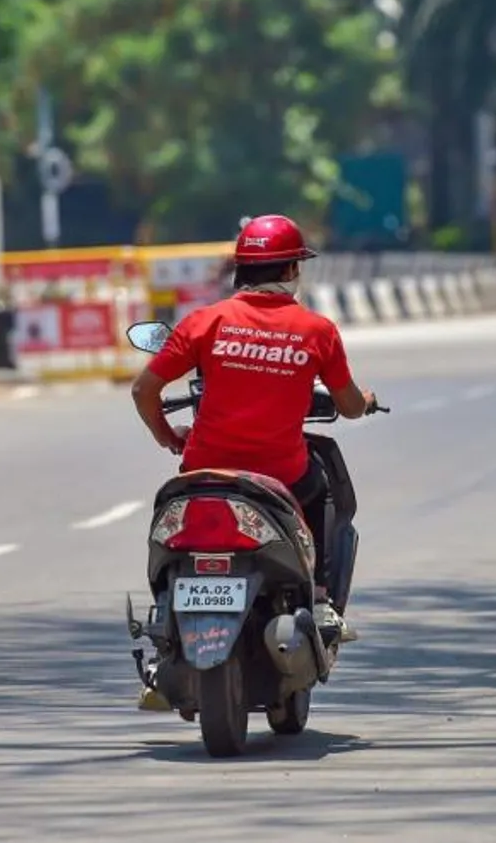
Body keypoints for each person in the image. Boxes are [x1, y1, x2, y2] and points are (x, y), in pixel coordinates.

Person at [130, 214, 376, 709]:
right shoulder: (316, 330)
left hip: (203, 476)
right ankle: (323, 601)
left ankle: (164, 637)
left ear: (242, 270)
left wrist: (168, 437)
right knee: (323, 492)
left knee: (177, 539)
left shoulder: (205, 322)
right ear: (290, 272)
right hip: (280, 479)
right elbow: (348, 406)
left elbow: (144, 389)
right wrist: (366, 400)